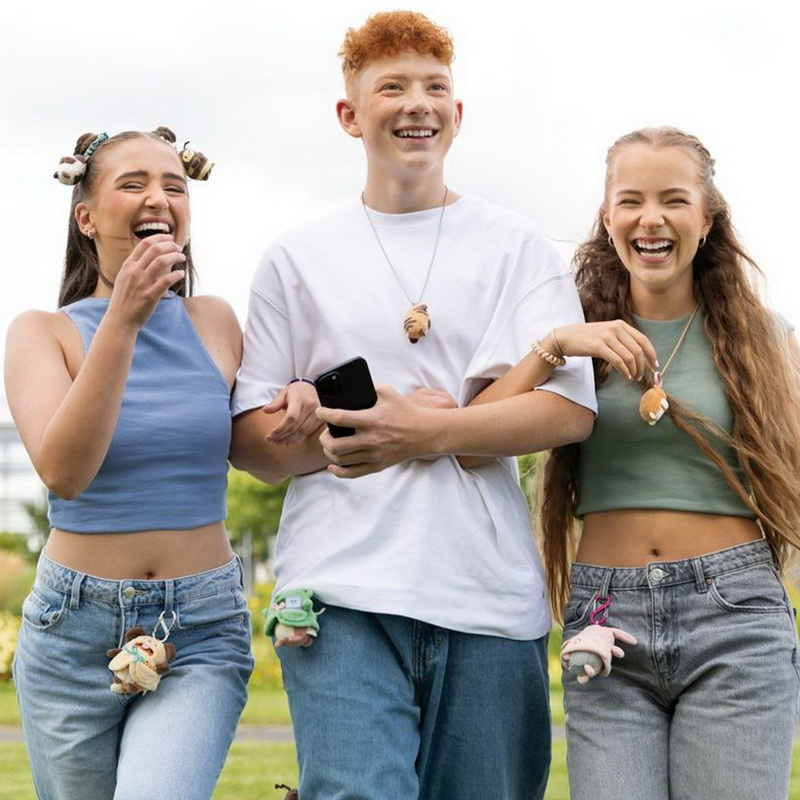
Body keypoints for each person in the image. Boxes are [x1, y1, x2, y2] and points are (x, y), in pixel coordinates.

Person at [230, 11, 595, 800]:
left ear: (457, 113)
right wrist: (332, 429)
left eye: (434, 87)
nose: (417, 103)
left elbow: (569, 411)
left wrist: (425, 431)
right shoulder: (297, 257)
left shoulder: (516, 245)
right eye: (391, 87)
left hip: (488, 593)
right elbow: (253, 447)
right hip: (337, 593)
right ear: (349, 114)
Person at [468, 126, 800, 800]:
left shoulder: (764, 339)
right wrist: (555, 344)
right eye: (631, 201)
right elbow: (472, 443)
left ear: (708, 219)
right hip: (605, 616)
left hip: (733, 613)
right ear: (608, 217)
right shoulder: (575, 342)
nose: (651, 219)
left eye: (673, 200)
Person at [5, 127, 253, 800]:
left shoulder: (214, 320)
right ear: (85, 217)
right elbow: (64, 472)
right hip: (72, 629)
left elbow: (260, 455)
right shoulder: (42, 332)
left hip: (198, 625)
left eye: (175, 186)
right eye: (133, 184)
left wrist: (300, 411)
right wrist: (121, 320)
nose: (159, 198)